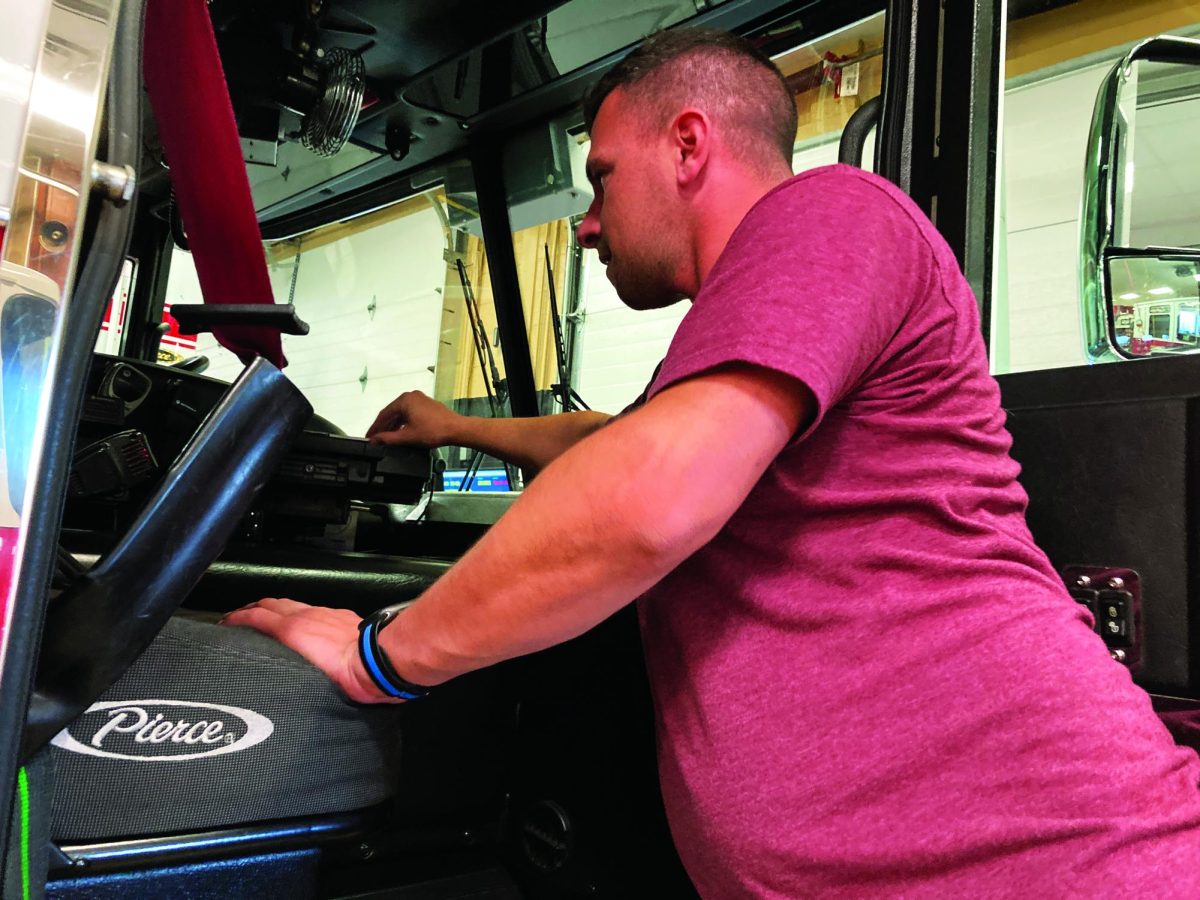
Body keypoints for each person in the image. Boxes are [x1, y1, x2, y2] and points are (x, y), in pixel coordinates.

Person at [224, 28, 1200, 898]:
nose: (588, 221)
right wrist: (457, 428)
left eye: (602, 177)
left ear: (688, 144)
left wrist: (377, 658)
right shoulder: (743, 358)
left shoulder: (831, 213)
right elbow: (619, 444)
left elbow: (647, 496)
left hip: (1069, 863)